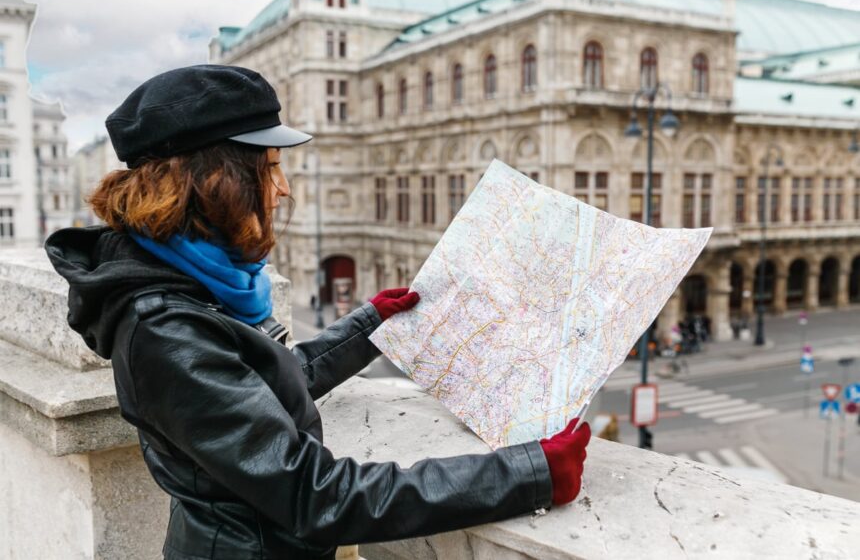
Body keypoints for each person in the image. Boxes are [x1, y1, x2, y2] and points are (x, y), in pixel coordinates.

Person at [45, 65, 591, 560]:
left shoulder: (186, 280)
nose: (282, 188)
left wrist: (369, 325)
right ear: (215, 180)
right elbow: (316, 494)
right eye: (272, 168)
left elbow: (259, 383)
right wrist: (528, 473)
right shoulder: (164, 328)